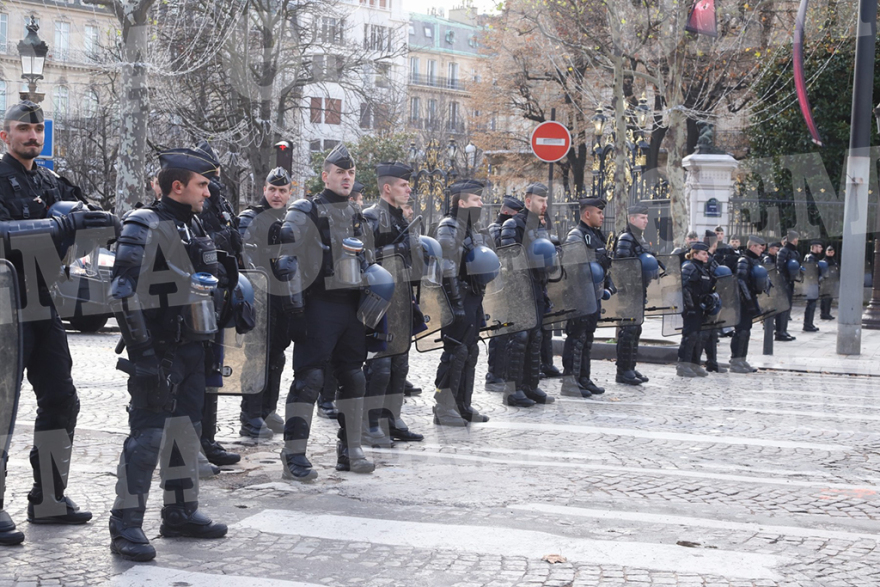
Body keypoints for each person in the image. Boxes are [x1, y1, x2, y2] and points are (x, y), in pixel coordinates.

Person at [0, 101, 118, 545]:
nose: (32, 136)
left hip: (43, 302)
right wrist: (56, 225)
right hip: (4, 304)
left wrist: (101, 224)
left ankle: (48, 497)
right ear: (5, 135)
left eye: (37, 130)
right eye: (22, 129)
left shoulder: (51, 181)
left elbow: (86, 222)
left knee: (61, 399)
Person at [108, 146, 228, 561]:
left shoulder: (194, 223)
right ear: (177, 186)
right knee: (147, 438)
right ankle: (125, 525)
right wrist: (143, 357)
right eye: (202, 185)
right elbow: (122, 292)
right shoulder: (143, 223)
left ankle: (180, 512)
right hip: (158, 350)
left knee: (186, 431)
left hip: (192, 346)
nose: (208, 192)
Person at [277, 144, 375, 481]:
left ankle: (350, 449)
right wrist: (294, 309)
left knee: (354, 376)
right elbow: (286, 261)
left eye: (350, 173)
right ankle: (294, 453)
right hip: (318, 304)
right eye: (340, 172)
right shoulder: (305, 210)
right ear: (325, 176)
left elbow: (370, 260)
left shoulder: (358, 214)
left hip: (351, 306)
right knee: (310, 379)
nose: (346, 178)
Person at [360, 162, 424, 446]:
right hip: (379, 301)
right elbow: (362, 260)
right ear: (387, 188)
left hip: (402, 300)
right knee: (380, 366)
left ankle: (392, 419)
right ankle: (370, 424)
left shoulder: (403, 220)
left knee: (400, 362)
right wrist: (395, 250)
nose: (409, 189)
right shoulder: (369, 218)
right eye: (403, 185)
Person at [193, 141, 242, 470]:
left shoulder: (220, 199)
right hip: (199, 294)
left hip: (220, 292)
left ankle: (207, 440)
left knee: (212, 370)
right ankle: (193, 443)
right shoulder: (195, 202)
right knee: (194, 372)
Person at [237, 167, 295, 439]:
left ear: (289, 193)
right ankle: (250, 415)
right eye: (272, 189)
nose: (276, 195)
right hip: (259, 297)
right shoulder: (250, 219)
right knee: (256, 356)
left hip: (282, 298)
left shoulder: (293, 220)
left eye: (282, 190)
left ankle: (267, 410)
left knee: (277, 355)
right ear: (264, 190)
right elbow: (243, 258)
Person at [433, 179, 496, 426]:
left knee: (470, 350)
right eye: (476, 200)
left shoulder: (471, 228)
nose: (481, 204)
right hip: (457, 298)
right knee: (455, 352)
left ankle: (462, 405)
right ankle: (443, 408)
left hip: (473, 297)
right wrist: (456, 303)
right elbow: (447, 268)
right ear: (461, 203)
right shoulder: (449, 227)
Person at [498, 182, 555, 406]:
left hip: (537, 288)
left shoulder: (540, 227)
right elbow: (508, 258)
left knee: (535, 337)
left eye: (546, 200)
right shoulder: (513, 225)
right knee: (519, 338)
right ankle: (512, 391)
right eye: (540, 200)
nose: (544, 205)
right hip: (519, 290)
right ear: (529, 201)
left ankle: (531, 386)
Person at [561, 197, 612, 397]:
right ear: (587, 214)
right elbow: (571, 268)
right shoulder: (576, 235)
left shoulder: (596, 236)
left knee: (587, 338)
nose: (602, 216)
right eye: (599, 213)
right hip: (579, 296)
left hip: (593, 295)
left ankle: (583, 378)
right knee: (576, 338)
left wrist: (608, 285)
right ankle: (570, 382)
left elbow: (603, 264)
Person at [485, 195, 523, 391]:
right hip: (500, 287)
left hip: (506, 286)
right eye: (516, 213)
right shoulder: (496, 229)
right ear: (507, 212)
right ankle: (494, 374)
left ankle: (502, 372)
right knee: (500, 331)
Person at [614, 205, 653, 386]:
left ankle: (631, 366)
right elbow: (621, 265)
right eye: (642, 218)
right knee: (628, 331)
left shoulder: (640, 239)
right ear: (632, 219)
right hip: (629, 291)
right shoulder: (626, 238)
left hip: (639, 289)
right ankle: (623, 371)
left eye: (646, 218)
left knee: (636, 329)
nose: (646, 221)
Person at [677, 243, 715, 377]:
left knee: (698, 337)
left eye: (707, 253)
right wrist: (690, 306)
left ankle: (694, 364)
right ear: (695, 254)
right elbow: (683, 287)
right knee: (690, 336)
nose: (707, 256)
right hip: (691, 308)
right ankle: (683, 365)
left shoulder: (703, 269)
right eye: (704, 254)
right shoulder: (689, 267)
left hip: (701, 308)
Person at [730, 235, 766, 373]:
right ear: (752, 247)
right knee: (741, 331)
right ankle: (735, 362)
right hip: (741, 301)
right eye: (759, 247)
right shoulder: (743, 260)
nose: (762, 250)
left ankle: (742, 360)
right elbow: (740, 282)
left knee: (746, 331)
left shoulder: (754, 260)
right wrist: (749, 302)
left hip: (749, 298)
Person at [775, 230, 800, 341]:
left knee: (787, 307)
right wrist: (783, 282)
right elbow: (779, 268)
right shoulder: (783, 251)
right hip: (783, 283)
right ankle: (780, 332)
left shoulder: (794, 252)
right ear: (795, 239)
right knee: (782, 308)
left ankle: (783, 330)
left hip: (790, 282)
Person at [801, 239, 823, 332]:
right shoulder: (811, 258)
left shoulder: (812, 257)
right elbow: (810, 272)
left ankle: (809, 323)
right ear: (814, 247)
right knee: (811, 304)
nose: (821, 249)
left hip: (812, 283)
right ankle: (808, 324)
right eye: (820, 247)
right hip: (811, 284)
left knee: (811, 304)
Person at [820, 245, 837, 320]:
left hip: (832, 281)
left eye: (831, 252)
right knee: (825, 298)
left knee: (829, 299)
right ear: (826, 252)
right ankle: (824, 313)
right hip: (825, 282)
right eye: (829, 252)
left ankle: (827, 313)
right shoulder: (824, 261)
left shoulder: (834, 261)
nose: (830, 253)